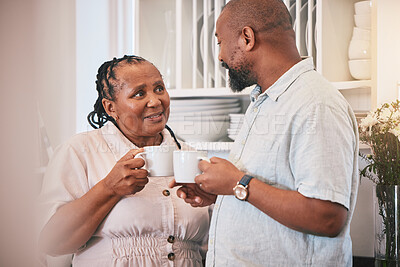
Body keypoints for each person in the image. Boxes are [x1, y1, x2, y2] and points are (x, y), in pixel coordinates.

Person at [170, 0, 359, 266]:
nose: (220, 56)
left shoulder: (316, 104)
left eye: (220, 42)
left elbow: (326, 217)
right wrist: (225, 193)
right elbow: (271, 193)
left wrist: (239, 184)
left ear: (247, 37)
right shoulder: (266, 101)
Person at [38, 55, 210, 266]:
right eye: (139, 94)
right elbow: (53, 243)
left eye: (159, 88)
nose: (155, 101)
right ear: (111, 108)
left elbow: (212, 244)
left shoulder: (190, 155)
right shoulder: (80, 151)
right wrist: (109, 188)